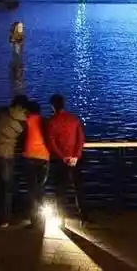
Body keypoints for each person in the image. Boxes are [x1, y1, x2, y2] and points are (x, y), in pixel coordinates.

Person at [0, 95, 27, 228]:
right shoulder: (23, 121)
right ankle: (5, 219)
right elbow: (23, 140)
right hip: (7, 155)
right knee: (6, 188)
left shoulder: (0, 112)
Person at [46, 93, 86, 222]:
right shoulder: (74, 119)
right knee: (78, 187)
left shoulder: (52, 121)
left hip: (60, 161)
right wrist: (76, 156)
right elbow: (81, 139)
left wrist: (63, 157)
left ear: (52, 106)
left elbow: (51, 142)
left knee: (60, 190)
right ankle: (84, 215)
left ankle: (62, 218)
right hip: (75, 160)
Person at [22, 101, 49, 228]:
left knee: (32, 190)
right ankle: (42, 219)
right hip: (44, 157)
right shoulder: (45, 121)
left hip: (30, 157)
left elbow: (21, 138)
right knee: (41, 188)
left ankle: (34, 221)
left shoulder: (25, 122)